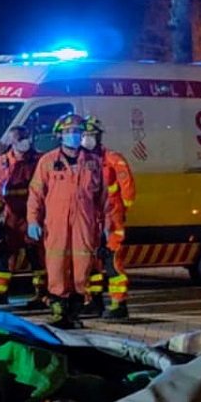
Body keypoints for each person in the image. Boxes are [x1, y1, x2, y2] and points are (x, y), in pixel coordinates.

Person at [26, 114, 105, 329]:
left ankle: (74, 312)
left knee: (81, 270)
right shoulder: (48, 162)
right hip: (56, 225)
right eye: (69, 132)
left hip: (84, 225)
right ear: (60, 135)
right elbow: (36, 193)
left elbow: (103, 198)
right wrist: (33, 220)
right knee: (56, 267)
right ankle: (59, 312)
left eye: (77, 132)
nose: (74, 135)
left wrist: (106, 225)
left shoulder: (93, 163)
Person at [81, 117, 137, 319]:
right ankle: (93, 301)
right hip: (90, 218)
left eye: (91, 135)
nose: (88, 138)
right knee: (91, 261)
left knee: (112, 261)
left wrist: (121, 210)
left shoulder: (112, 158)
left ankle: (119, 304)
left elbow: (127, 186)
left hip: (111, 216)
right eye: (84, 135)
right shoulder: (81, 160)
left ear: (99, 136)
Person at [0, 123, 43, 307]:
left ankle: (42, 293)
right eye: (19, 139)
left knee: (36, 254)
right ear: (11, 141)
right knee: (4, 253)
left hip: (32, 214)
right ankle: (0, 292)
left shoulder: (39, 160)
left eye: (25, 138)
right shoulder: (3, 161)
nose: (24, 142)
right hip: (11, 215)